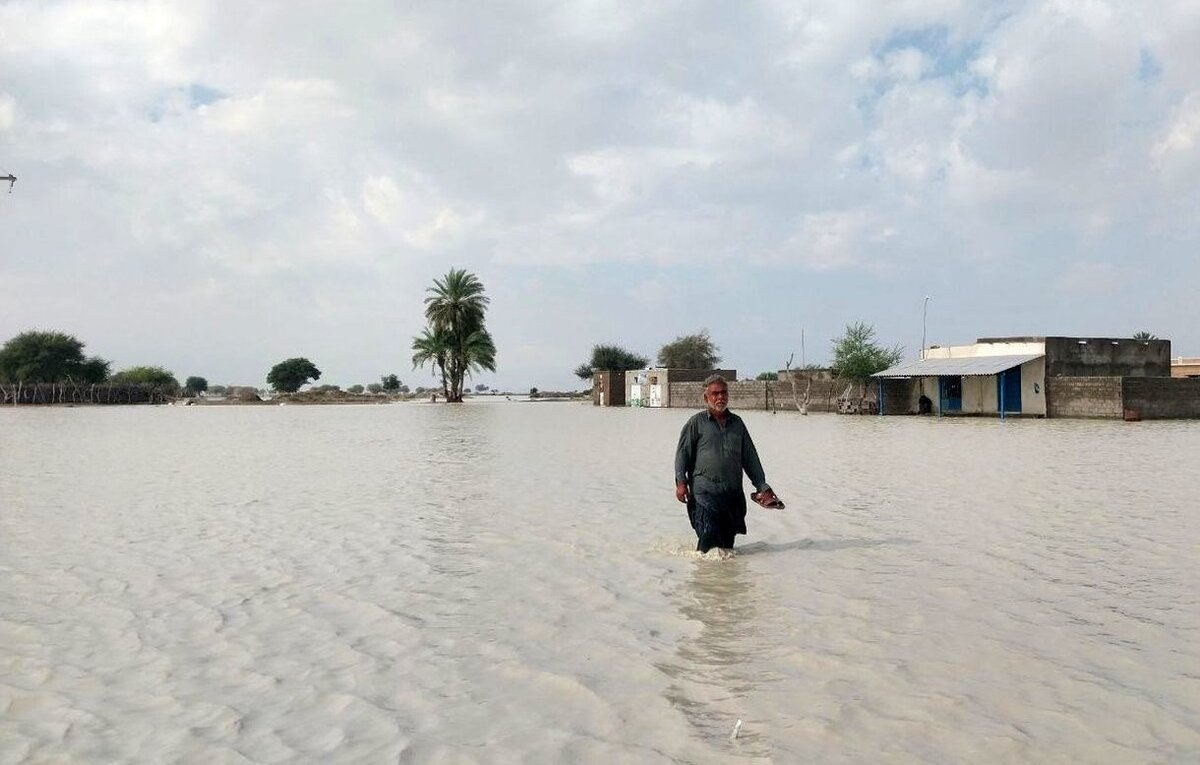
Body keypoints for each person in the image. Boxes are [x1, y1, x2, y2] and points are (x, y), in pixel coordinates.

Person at [674, 375, 783, 553]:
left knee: (726, 546)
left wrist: (762, 486)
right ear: (706, 397)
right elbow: (682, 454)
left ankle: (725, 580)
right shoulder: (696, 423)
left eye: (723, 393)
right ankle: (702, 578)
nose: (720, 397)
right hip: (704, 493)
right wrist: (681, 482)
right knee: (708, 538)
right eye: (715, 393)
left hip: (731, 495)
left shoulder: (737, 423)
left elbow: (750, 458)